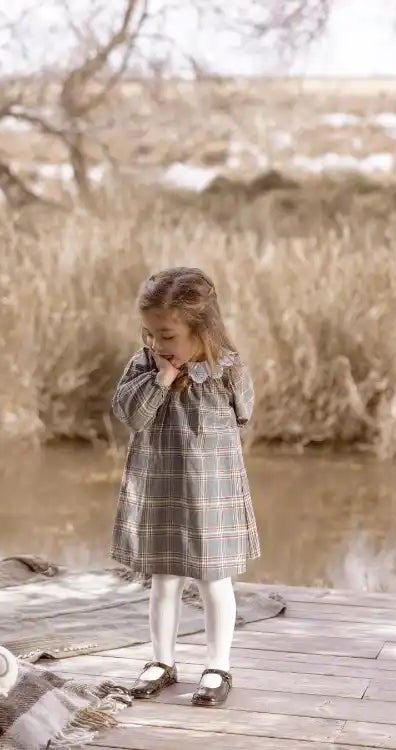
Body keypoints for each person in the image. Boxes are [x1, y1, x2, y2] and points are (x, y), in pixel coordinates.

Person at [110, 266, 260, 707]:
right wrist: (161, 377)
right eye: (152, 333)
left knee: (215, 580)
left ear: (202, 329)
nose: (158, 344)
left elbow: (244, 410)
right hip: (161, 486)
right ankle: (162, 661)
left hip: (210, 489)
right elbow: (131, 415)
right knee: (164, 578)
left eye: (168, 336)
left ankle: (218, 666)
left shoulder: (226, 368)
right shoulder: (143, 364)